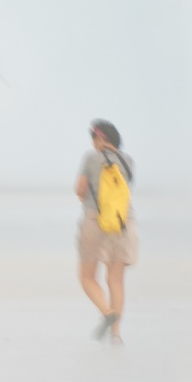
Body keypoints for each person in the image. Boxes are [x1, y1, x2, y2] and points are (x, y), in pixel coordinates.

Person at [75, 119, 138, 345]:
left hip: (95, 220)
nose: (92, 143)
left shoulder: (91, 158)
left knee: (87, 277)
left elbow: (80, 190)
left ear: (100, 137)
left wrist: (84, 195)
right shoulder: (127, 159)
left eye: (93, 138)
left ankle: (107, 312)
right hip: (124, 222)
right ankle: (116, 334)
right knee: (116, 280)